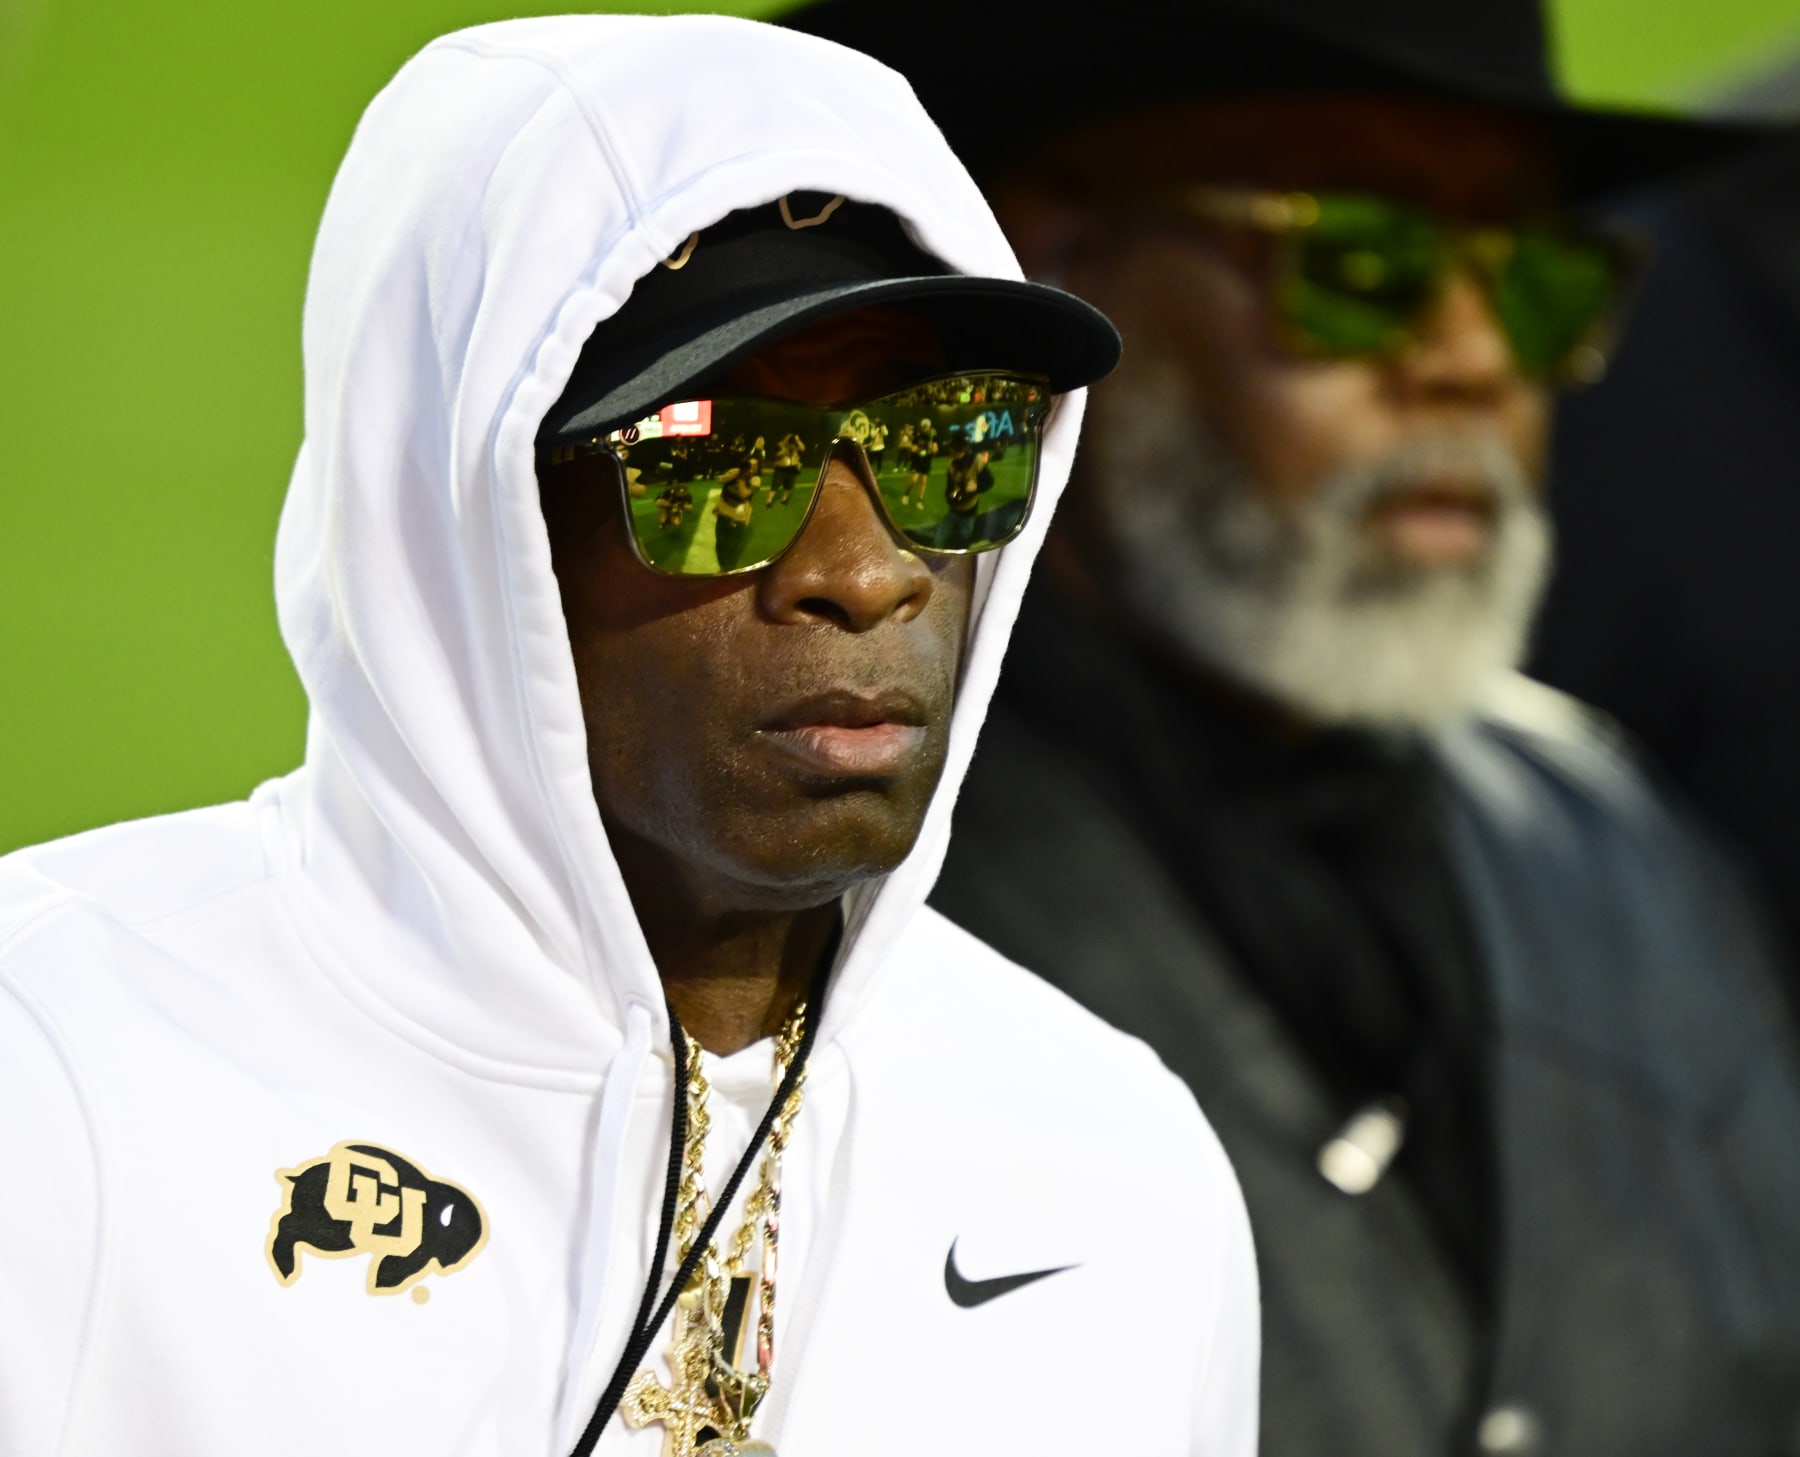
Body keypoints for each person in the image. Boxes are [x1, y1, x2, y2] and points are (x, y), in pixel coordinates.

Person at [0, 16, 1259, 1457]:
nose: (864, 573)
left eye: (945, 444)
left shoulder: (1116, 1170)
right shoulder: (57, 1074)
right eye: (715, 462)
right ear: (465, 521)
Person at [785, 1, 1800, 1453]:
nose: (1466, 360)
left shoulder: (1626, 843)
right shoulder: (785, 893)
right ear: (1048, 282)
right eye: (1358, 266)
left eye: (1534, 286)